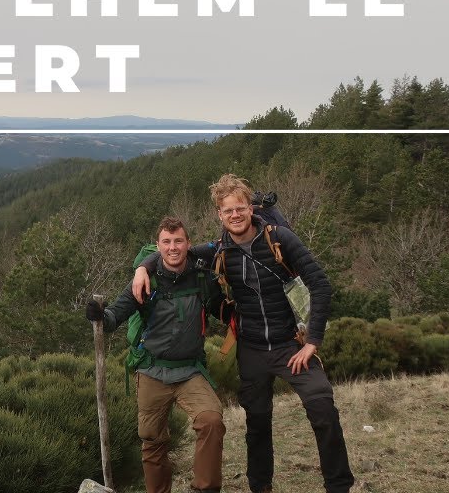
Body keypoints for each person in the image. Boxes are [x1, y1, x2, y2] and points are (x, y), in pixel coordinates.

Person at [132, 175, 354, 493]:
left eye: (240, 208)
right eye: (228, 211)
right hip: (251, 349)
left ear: (251, 208)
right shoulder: (219, 250)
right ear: (219, 215)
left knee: (323, 409)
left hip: (291, 344)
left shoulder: (281, 239)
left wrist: (313, 342)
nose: (235, 215)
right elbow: (175, 252)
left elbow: (320, 285)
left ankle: (339, 486)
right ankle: (260, 487)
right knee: (257, 422)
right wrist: (143, 268)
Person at [85, 216, 228, 493]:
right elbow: (116, 315)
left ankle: (205, 488)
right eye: (167, 242)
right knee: (152, 440)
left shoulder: (202, 277)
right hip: (152, 370)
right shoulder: (145, 280)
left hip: (190, 370)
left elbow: (220, 308)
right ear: (158, 245)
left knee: (211, 421)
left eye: (178, 241)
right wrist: (101, 315)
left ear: (188, 243)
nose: (173, 247)